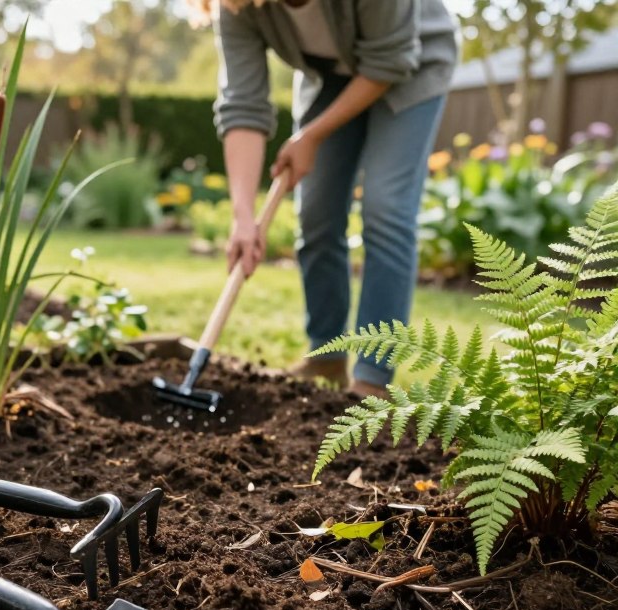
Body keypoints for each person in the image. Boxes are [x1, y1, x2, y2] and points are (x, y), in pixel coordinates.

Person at [196, 0, 459, 398]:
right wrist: (243, 216)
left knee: (385, 207)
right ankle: (327, 355)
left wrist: (312, 135)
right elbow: (243, 105)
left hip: (412, 64)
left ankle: (371, 377)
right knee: (316, 212)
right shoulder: (238, 7)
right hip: (331, 78)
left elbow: (390, 61)